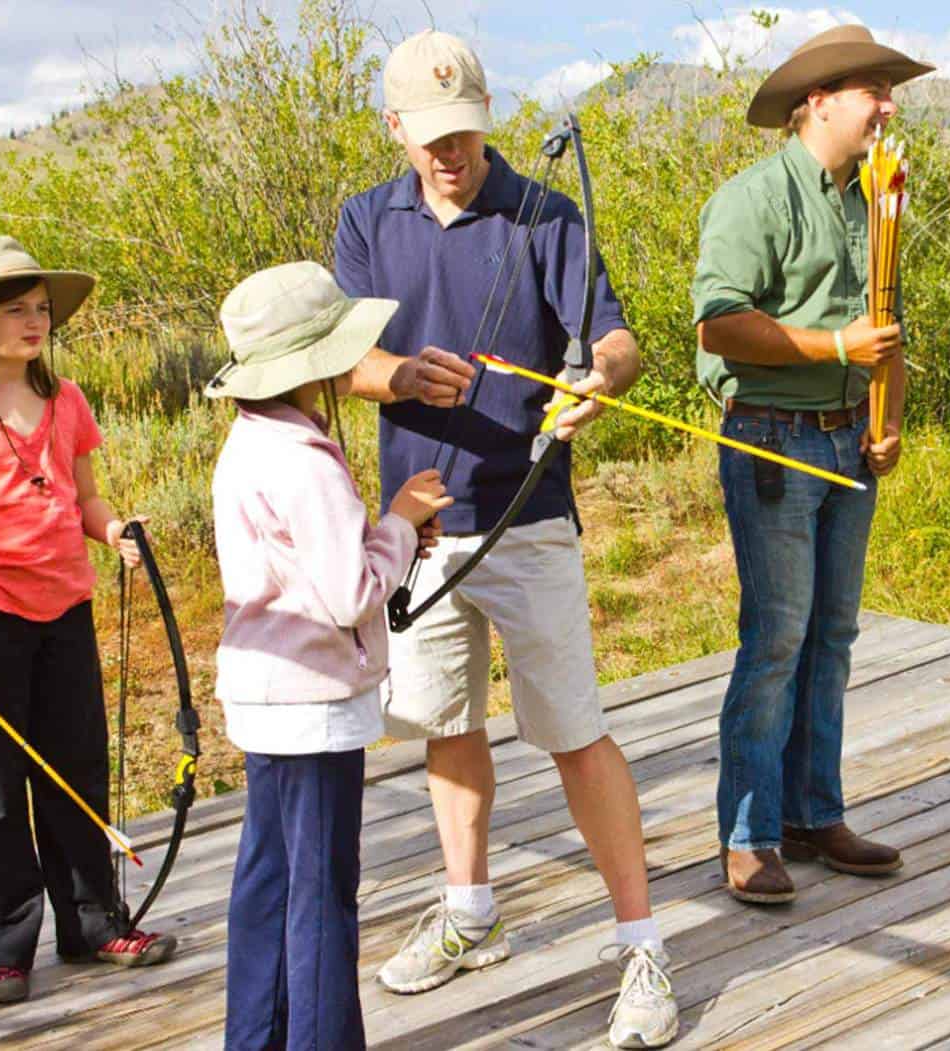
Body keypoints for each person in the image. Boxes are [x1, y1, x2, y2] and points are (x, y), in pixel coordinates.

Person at [331, 29, 677, 1048]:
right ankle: (469, 916)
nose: (451, 154)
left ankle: (643, 945)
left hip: (525, 523)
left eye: (467, 133)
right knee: (446, 724)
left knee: (574, 730)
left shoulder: (543, 213)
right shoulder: (365, 220)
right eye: (432, 137)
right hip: (419, 528)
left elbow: (618, 339)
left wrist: (599, 379)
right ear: (394, 129)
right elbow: (337, 356)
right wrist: (395, 377)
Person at [0, 235, 177, 1007]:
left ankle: (92, 922)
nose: (33, 322)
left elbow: (83, 496)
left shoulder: (67, 400)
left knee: (77, 771)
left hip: (66, 609)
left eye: (41, 310)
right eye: (15, 310)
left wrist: (114, 530)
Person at [690, 24, 929, 905]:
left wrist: (889, 419)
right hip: (773, 444)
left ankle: (813, 812)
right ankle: (748, 834)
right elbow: (719, 323)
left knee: (832, 636)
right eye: (873, 88)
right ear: (818, 101)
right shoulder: (753, 199)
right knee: (778, 640)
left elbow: (888, 322)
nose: (888, 104)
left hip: (848, 442)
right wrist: (833, 343)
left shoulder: (871, 200)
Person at [206, 261, 451, 1050]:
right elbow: (350, 591)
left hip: (264, 700)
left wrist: (388, 533)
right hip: (313, 708)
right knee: (320, 896)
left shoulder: (249, 442)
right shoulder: (305, 461)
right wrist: (404, 524)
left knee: (269, 882)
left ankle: (256, 1036)